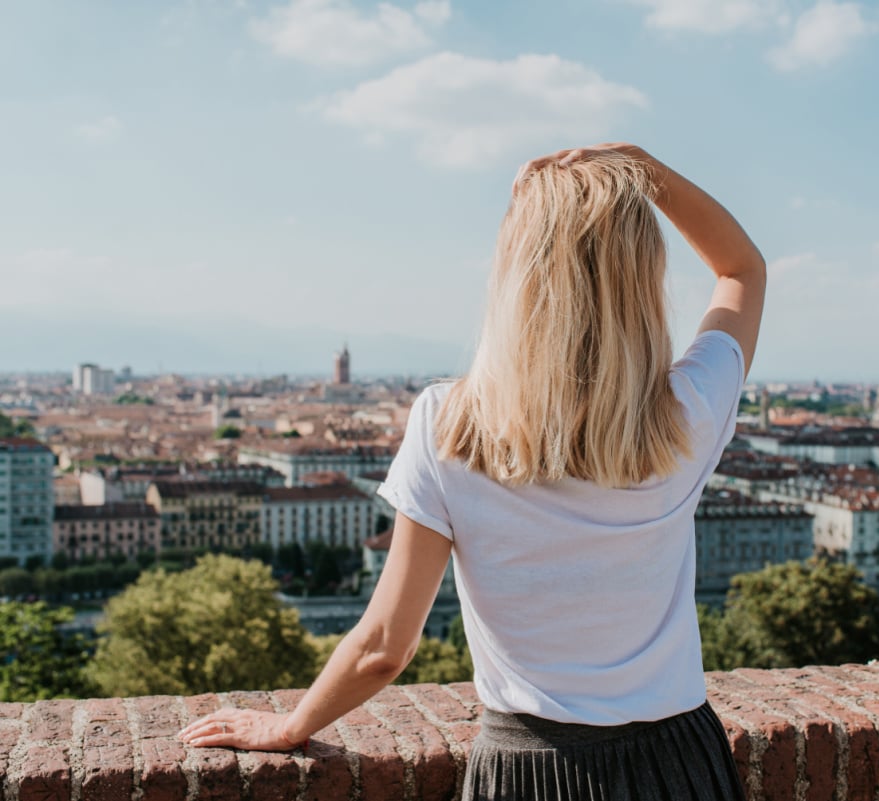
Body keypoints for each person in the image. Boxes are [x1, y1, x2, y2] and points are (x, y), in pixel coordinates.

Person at [178, 143, 766, 800]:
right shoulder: (691, 411)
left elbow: (384, 646)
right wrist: (643, 170)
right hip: (678, 764)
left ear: (518, 276)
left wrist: (293, 724)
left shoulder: (449, 423)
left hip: (528, 768)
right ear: (643, 276)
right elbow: (740, 267)